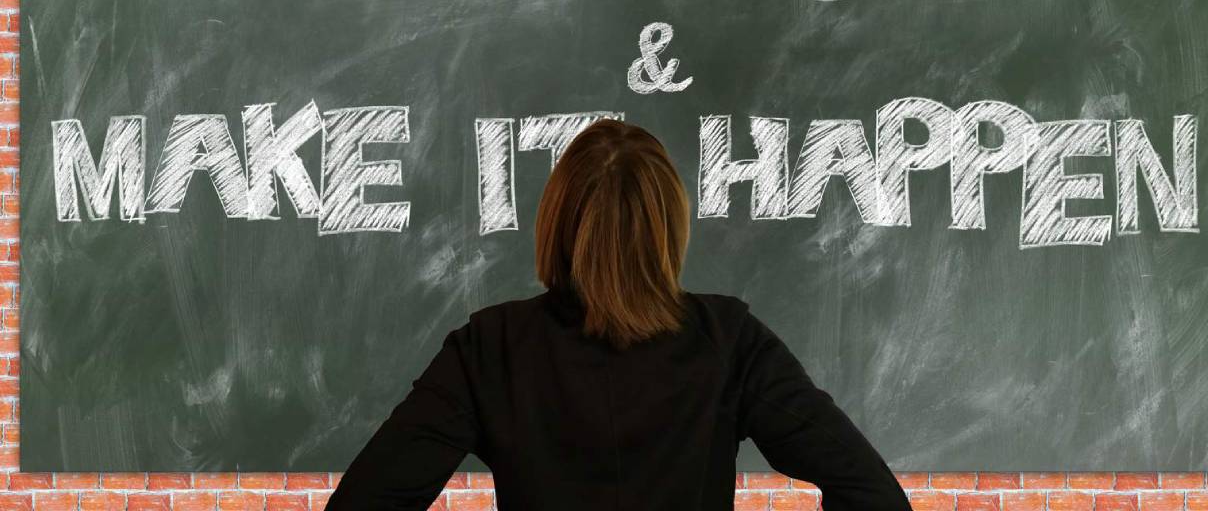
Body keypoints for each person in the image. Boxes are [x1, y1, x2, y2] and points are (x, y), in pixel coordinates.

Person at [325, 119, 911, 511]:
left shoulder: (492, 347)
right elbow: (872, 493)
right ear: (668, 229)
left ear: (557, 222)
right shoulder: (728, 340)